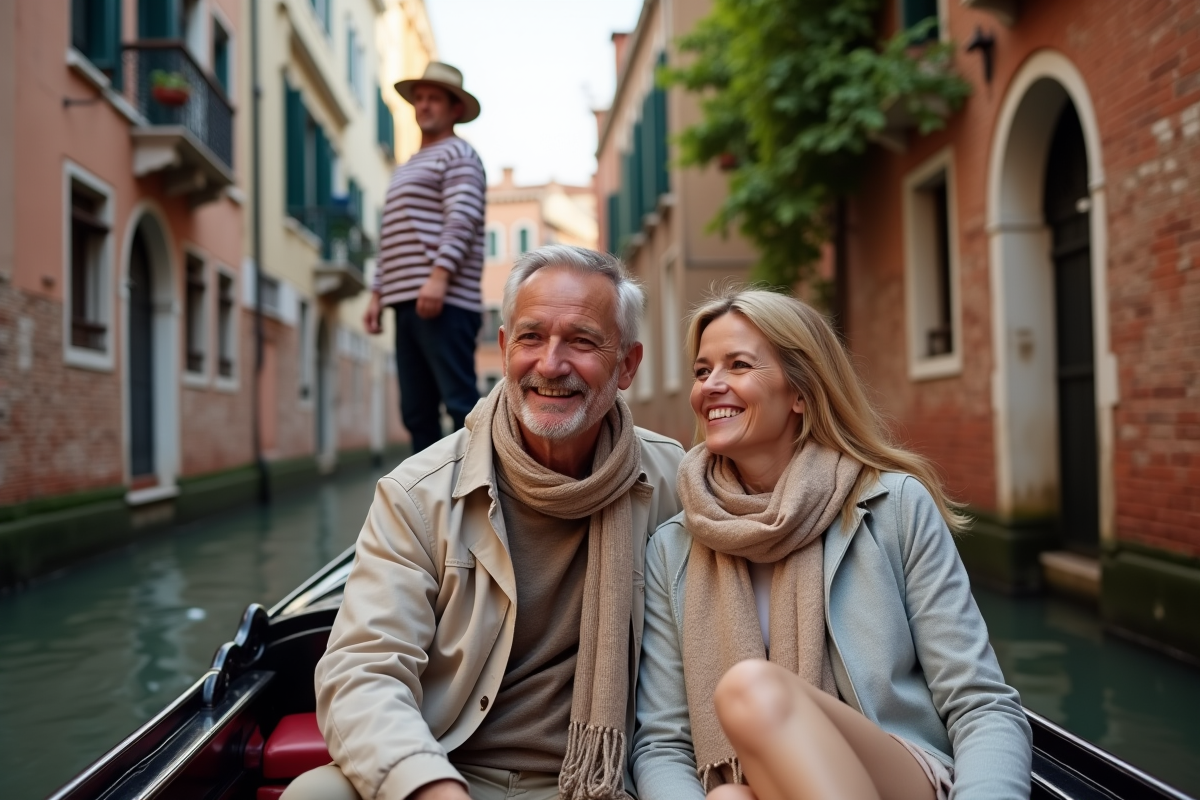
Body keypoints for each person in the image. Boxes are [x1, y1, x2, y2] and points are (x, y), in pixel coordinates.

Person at [284, 246, 685, 800]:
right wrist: (431, 786)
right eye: (531, 337)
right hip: (450, 765)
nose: (550, 363)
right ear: (502, 348)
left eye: (582, 341)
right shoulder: (418, 493)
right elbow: (362, 673)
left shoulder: (675, 483)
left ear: (628, 365)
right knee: (314, 796)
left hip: (600, 779)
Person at [631, 289, 1032, 800]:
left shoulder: (894, 505)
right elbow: (664, 745)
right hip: (759, 786)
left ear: (801, 392)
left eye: (738, 365)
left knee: (749, 689)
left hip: (901, 774)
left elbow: (981, 703)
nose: (712, 385)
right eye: (702, 370)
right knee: (727, 796)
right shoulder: (674, 547)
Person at [364, 62, 486, 453]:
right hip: (407, 302)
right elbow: (393, 233)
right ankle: (425, 503)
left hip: (444, 300)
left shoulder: (460, 154)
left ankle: (476, 495)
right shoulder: (408, 165)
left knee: (460, 404)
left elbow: (462, 218)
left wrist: (439, 276)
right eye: (419, 98)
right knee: (416, 411)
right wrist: (377, 294)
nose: (424, 105)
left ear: (455, 109)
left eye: (434, 98)